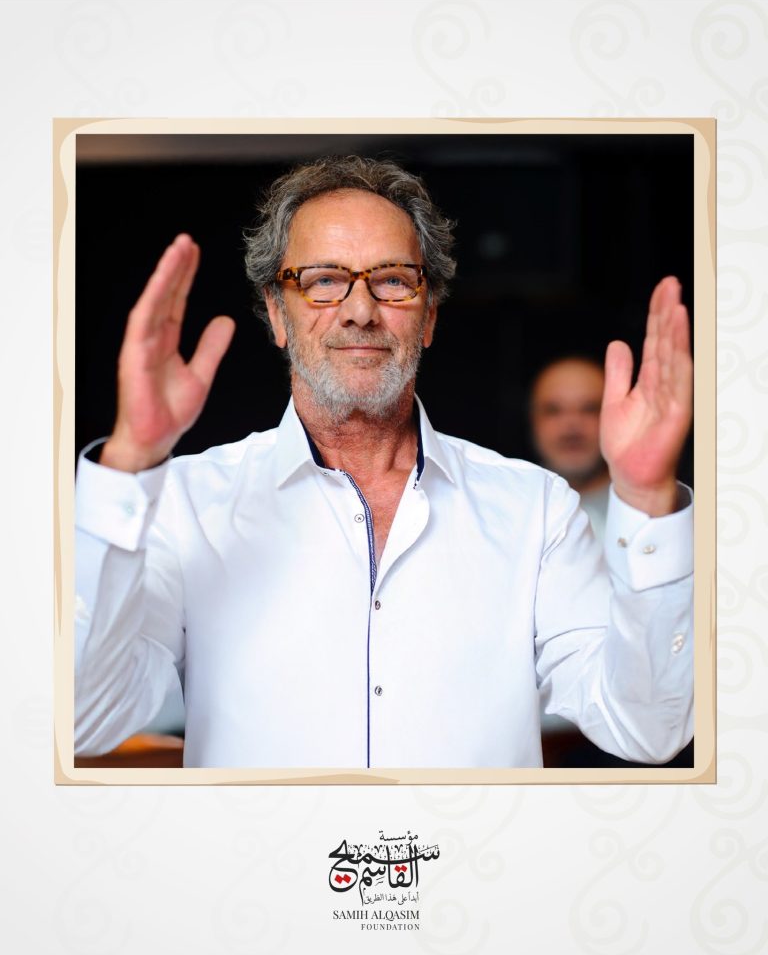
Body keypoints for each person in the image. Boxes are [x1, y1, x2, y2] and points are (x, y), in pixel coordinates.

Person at [75, 155, 694, 769]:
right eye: (323, 280)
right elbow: (84, 719)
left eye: (393, 280)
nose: (360, 310)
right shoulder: (184, 505)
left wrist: (646, 498)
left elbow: (647, 730)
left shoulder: (536, 509)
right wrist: (129, 459)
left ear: (429, 316)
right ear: (277, 313)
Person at [529, 356, 610, 541]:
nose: (571, 425)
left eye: (590, 409)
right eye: (553, 410)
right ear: (533, 421)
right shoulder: (505, 505)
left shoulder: (655, 507)